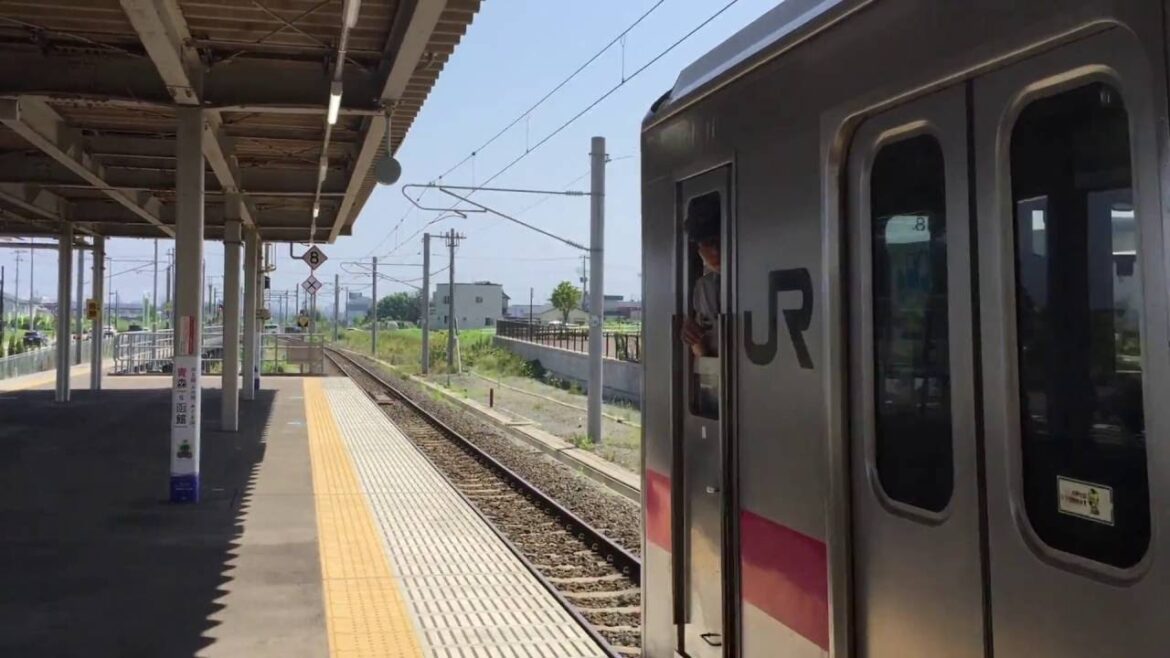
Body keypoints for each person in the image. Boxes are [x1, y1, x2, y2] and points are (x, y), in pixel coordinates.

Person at [681, 193, 721, 357]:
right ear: (698, 249)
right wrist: (694, 338)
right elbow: (702, 356)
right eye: (708, 243)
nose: (716, 251)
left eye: (719, 241)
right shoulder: (704, 287)